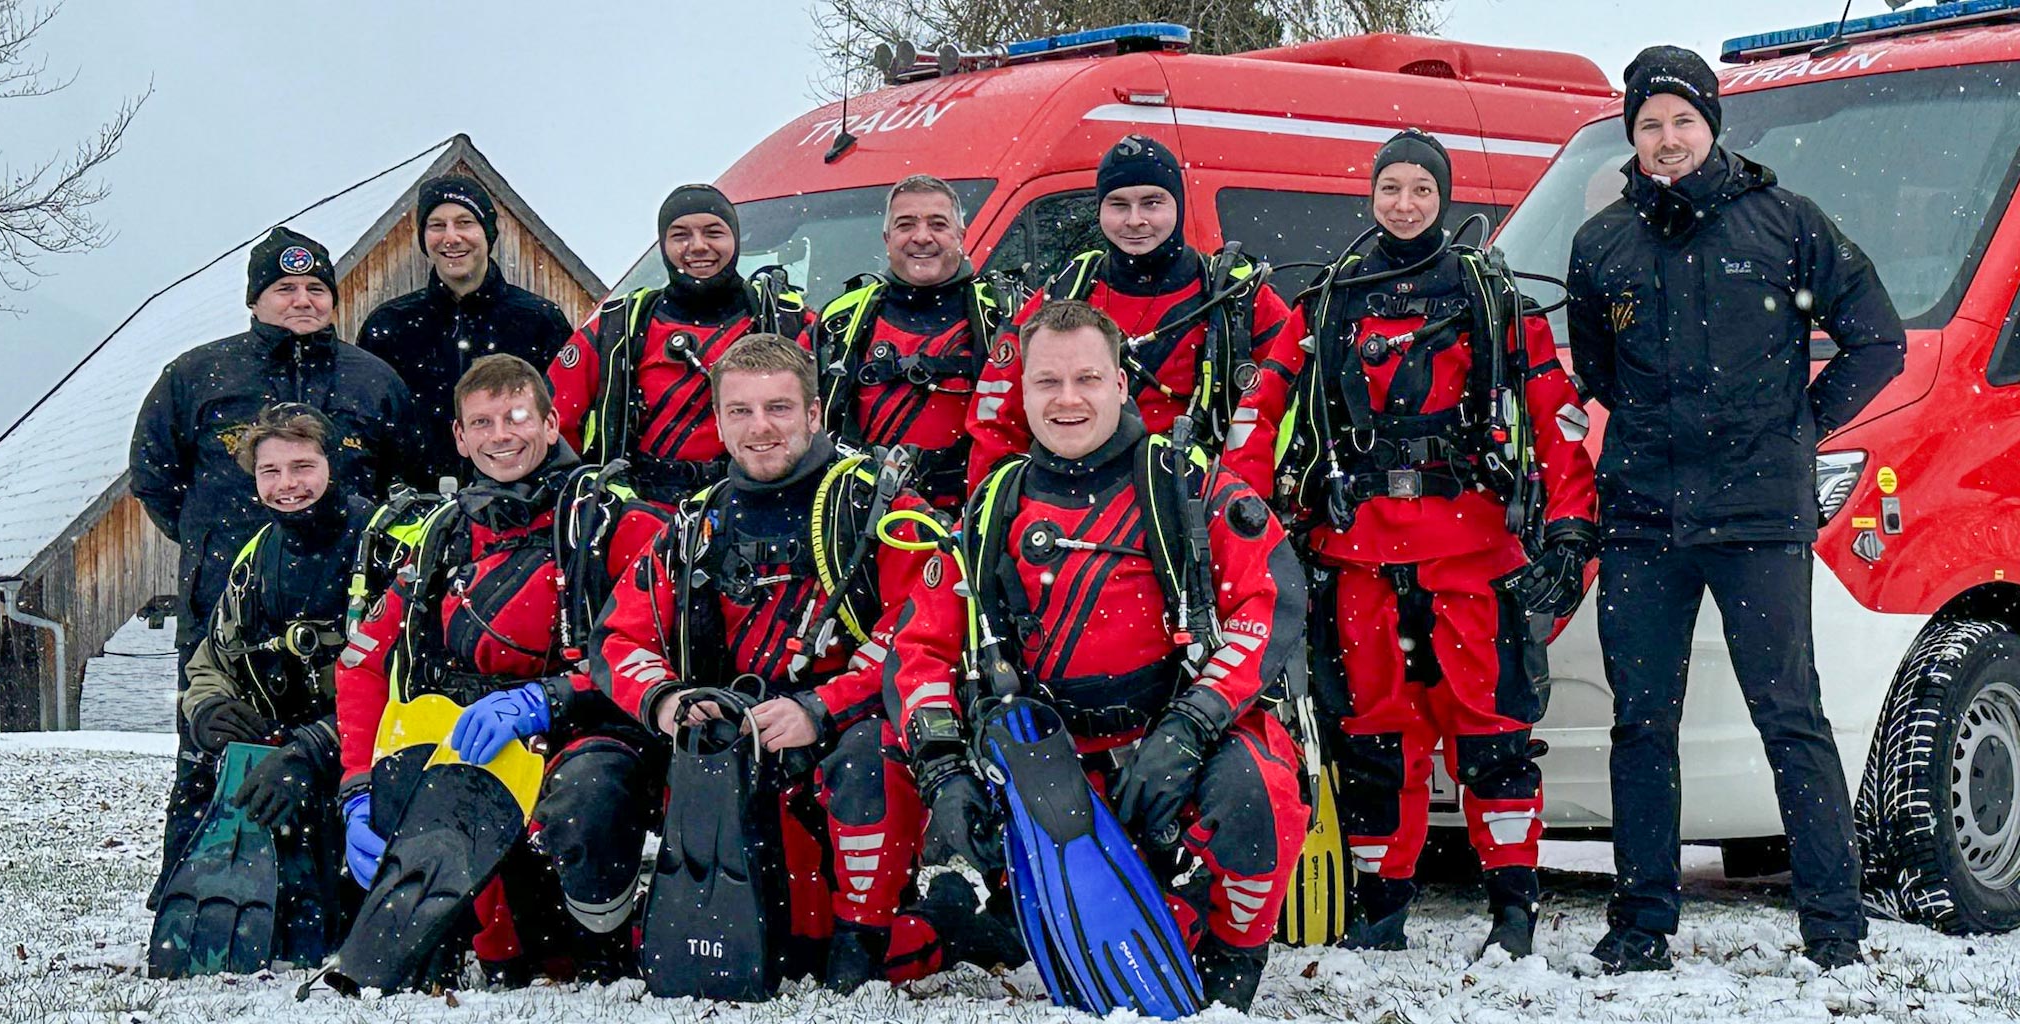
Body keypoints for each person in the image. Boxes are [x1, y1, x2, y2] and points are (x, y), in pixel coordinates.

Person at [1566, 45, 1906, 972]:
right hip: (1640, 520)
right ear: (1632, 137)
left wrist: (1798, 429)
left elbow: (1877, 340)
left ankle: (1833, 929)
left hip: (1757, 518)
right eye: (1649, 125)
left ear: (1711, 125)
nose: (1666, 140)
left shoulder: (1786, 221)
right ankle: (1641, 927)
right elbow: (1596, 368)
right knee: (1640, 722)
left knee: (1789, 714)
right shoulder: (1603, 244)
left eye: (1681, 121)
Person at [1235, 129, 1597, 957]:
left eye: (1421, 190)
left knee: (1494, 730)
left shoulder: (1488, 294)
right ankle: (1381, 910)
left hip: (1470, 551)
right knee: (1372, 737)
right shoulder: (1329, 300)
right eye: (1391, 188)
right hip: (1356, 553)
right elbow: (1263, 409)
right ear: (1371, 196)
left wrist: (1572, 529)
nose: (1404, 204)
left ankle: (1512, 912)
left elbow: (1555, 412)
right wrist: (1244, 519)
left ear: (1445, 197)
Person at [917, 300, 1310, 1010]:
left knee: (1257, 791)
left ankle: (1231, 961)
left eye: (1088, 380)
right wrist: (944, 770)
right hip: (1053, 757)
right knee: (953, 865)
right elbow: (924, 646)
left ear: (1122, 386)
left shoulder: (1185, 488)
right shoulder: (991, 508)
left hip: (1176, 735)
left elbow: (1271, 600)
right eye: (1047, 383)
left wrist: (1193, 724)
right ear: (1022, 391)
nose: (1068, 400)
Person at [587, 334, 1006, 992]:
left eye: (779, 409)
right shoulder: (694, 525)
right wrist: (667, 701)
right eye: (741, 412)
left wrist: (821, 708)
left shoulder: (876, 507)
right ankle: (926, 921)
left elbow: (924, 630)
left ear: (816, 415)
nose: (760, 429)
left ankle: (879, 935)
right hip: (741, 760)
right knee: (772, 951)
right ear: (718, 421)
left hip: (843, 749)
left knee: (870, 760)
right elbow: (617, 639)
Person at [332, 354, 663, 987]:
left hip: (589, 724)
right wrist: (357, 789)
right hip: (468, 735)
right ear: (459, 437)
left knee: (588, 795)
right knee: (411, 789)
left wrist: (552, 697)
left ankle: (605, 948)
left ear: (551, 422)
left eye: (516, 417)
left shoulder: (613, 524)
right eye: (481, 422)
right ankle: (484, 948)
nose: (500, 435)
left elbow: (657, 648)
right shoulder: (440, 538)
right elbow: (363, 663)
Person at [130, 226, 415, 904]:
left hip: (344, 603)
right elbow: (153, 478)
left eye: (316, 288)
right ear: (256, 300)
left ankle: (336, 889)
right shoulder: (197, 376)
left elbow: (410, 481)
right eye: (284, 288)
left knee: (336, 743)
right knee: (215, 740)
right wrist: (217, 543)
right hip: (228, 603)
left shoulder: (372, 380)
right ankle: (195, 884)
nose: (302, 300)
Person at [965, 135, 1301, 489]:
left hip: (1195, 507)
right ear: (1100, 210)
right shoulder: (1067, 292)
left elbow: (1281, 407)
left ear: (1179, 206)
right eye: (1119, 205)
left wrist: (1236, 505)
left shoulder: (1237, 298)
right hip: (1077, 506)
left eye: (1152, 203)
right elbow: (996, 412)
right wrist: (996, 505)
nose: (1135, 220)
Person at [176, 402, 371, 953]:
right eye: (270, 471)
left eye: (303, 466)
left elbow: (415, 681)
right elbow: (210, 663)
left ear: (333, 464)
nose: (288, 485)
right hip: (284, 755)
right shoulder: (254, 560)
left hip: (369, 753)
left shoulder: (386, 544)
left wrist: (317, 748)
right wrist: (209, 711)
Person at [550, 183, 815, 506]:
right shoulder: (617, 330)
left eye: (713, 232)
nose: (698, 246)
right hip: (638, 512)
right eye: (680, 235)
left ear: (735, 239)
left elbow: (827, 419)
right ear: (663, 245)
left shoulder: (788, 324)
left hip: (760, 506)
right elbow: (552, 427)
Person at [360, 174, 574, 490]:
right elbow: (370, 426)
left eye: (464, 223)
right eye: (437, 225)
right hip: (419, 507)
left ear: (487, 233)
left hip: (522, 503)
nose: (451, 237)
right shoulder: (389, 326)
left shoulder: (538, 320)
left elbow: (568, 414)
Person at [815, 174, 1016, 509]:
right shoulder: (842, 320)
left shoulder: (1003, 315)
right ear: (887, 238)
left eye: (938, 224)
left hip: (972, 517)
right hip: (861, 514)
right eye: (906, 225)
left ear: (960, 235)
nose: (922, 237)